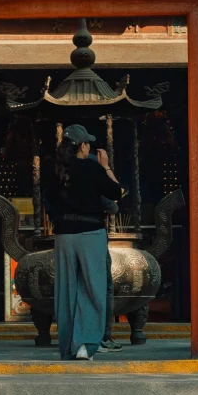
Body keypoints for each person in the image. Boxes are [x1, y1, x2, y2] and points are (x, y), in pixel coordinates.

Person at [45, 124, 121, 361]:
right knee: (92, 288)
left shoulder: (55, 170)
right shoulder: (92, 168)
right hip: (90, 233)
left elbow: (48, 202)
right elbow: (116, 192)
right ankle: (86, 344)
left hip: (64, 236)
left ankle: (69, 346)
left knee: (66, 290)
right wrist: (106, 166)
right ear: (83, 146)